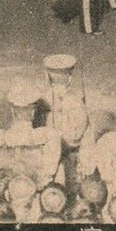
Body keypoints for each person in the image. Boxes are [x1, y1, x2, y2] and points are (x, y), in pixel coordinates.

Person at [0, 83, 63, 190]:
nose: (30, 111)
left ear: (12, 110)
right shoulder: (48, 135)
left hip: (7, 189)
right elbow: (48, 173)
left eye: (30, 108)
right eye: (30, 108)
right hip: (31, 188)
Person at [41, 54, 89, 191]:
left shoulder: (40, 100)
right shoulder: (77, 101)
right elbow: (80, 136)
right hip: (71, 161)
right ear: (70, 78)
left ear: (47, 76)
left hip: (46, 163)